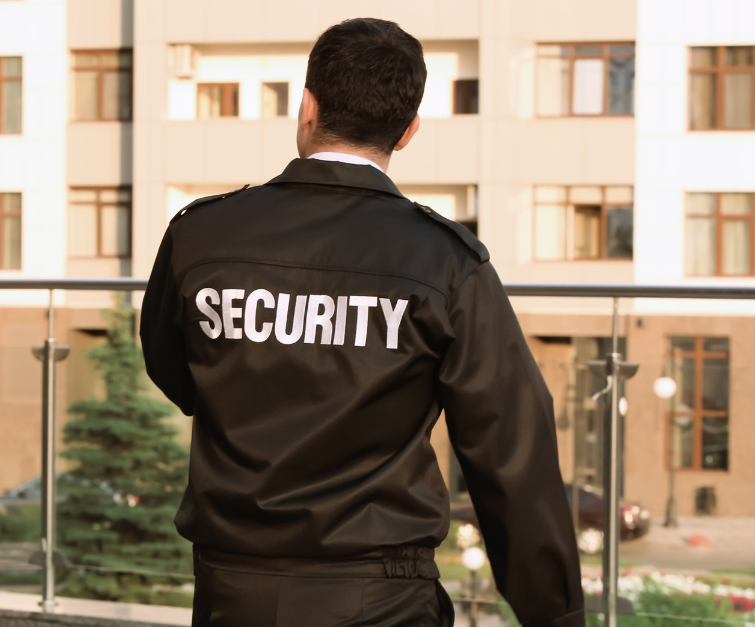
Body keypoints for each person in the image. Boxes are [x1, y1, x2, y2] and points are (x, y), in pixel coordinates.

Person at [140, 17, 584, 627]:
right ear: (407, 132)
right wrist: (555, 616)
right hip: (381, 598)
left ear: (307, 106)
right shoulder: (445, 262)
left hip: (230, 591)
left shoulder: (200, 234)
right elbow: (511, 455)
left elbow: (176, 374)